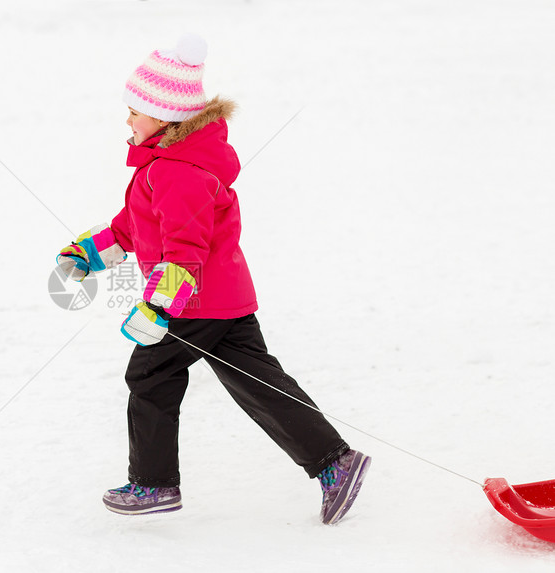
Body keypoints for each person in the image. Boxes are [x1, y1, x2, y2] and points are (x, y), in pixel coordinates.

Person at [56, 34, 370, 525]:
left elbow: (185, 252)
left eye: (135, 111)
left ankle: (153, 484)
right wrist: (86, 255)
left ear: (165, 118)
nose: (127, 120)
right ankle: (336, 463)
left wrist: (159, 309)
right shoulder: (167, 167)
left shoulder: (179, 173)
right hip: (224, 298)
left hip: (195, 303)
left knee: (150, 374)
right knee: (258, 382)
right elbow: (131, 229)